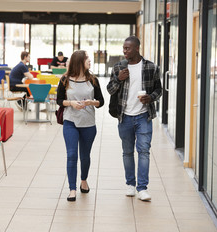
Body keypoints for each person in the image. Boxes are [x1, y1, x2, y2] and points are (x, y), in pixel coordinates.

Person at [106, 36, 162, 201]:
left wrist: (150, 98)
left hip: (144, 116)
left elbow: (159, 89)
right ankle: (130, 184)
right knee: (128, 152)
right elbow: (110, 90)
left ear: (137, 48)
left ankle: (142, 188)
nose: (124, 51)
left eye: (128, 48)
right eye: (123, 48)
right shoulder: (118, 67)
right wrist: (118, 79)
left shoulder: (151, 67)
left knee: (144, 151)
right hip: (125, 117)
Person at [56, 50, 104, 202]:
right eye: (87, 58)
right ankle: (72, 189)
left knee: (85, 156)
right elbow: (59, 101)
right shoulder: (65, 79)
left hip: (88, 123)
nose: (90, 61)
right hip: (70, 121)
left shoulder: (93, 80)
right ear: (79, 62)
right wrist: (71, 103)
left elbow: (101, 101)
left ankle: (83, 180)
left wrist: (91, 102)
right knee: (71, 155)